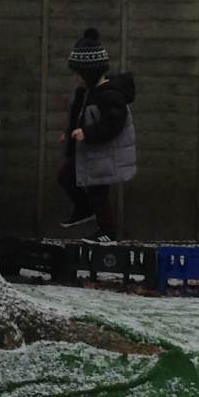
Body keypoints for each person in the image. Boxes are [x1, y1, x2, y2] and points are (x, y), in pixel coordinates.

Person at [57, 27, 137, 240]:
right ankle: (85, 209)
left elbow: (113, 123)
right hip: (92, 152)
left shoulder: (109, 95)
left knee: (98, 194)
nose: (77, 80)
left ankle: (108, 232)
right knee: (67, 176)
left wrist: (87, 133)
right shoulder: (89, 93)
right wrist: (70, 133)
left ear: (89, 74)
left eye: (79, 75)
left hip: (104, 154)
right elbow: (81, 116)